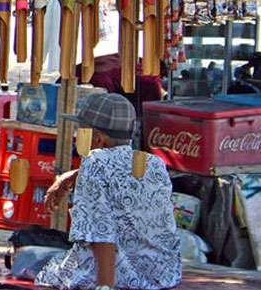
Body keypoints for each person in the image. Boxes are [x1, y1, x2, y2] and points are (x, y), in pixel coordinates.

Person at [36, 93, 181, 290]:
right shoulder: (154, 163)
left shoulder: (94, 163)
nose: (77, 136)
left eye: (80, 130)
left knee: (29, 260)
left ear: (97, 138)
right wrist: (72, 176)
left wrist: (104, 287)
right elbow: (119, 175)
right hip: (163, 274)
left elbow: (101, 234)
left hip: (121, 277)